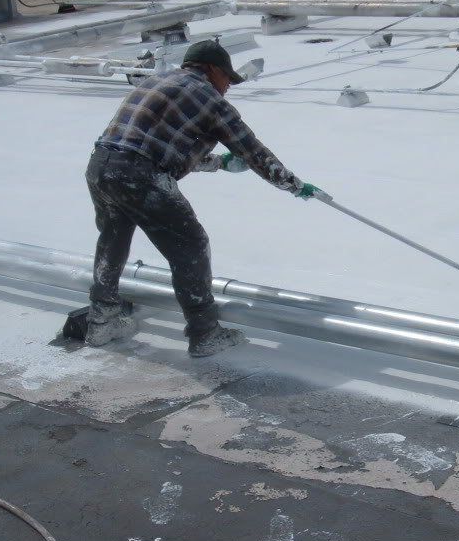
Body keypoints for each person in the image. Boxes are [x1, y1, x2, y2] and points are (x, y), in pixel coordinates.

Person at [84, 40, 320, 357]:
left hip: (102, 166)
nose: (228, 87)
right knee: (190, 246)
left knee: (113, 238)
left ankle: (102, 321)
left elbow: (159, 145)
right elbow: (252, 151)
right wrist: (292, 183)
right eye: (227, 79)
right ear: (211, 69)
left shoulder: (159, 80)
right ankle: (205, 332)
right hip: (140, 175)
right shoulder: (209, 99)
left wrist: (220, 163)